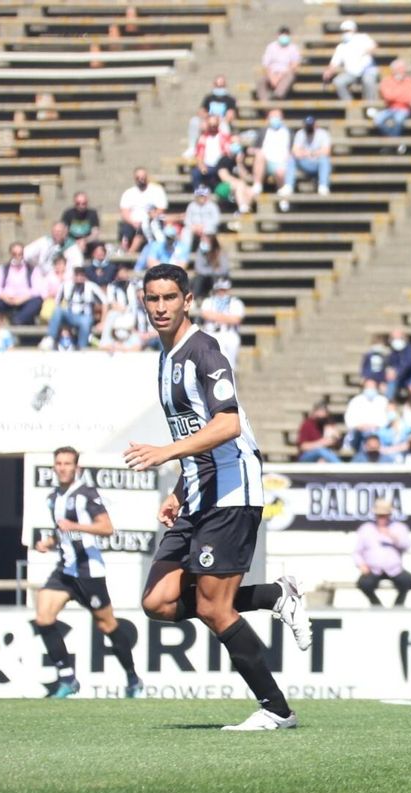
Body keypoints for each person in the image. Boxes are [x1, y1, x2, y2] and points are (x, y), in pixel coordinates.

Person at [125, 264, 311, 731]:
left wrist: (166, 454)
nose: (161, 307)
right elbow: (197, 433)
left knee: (211, 607)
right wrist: (180, 487)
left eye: (170, 297)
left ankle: (276, 710)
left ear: (187, 300)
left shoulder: (205, 351)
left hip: (233, 489)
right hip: (199, 492)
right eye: (153, 299)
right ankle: (274, 595)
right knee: (158, 601)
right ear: (144, 303)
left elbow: (227, 424)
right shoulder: (165, 358)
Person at [28, 447, 144, 697]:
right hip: (65, 570)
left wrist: (74, 525)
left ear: (76, 467)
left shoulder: (86, 494)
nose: (62, 467)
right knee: (43, 618)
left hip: (88, 571)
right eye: (58, 463)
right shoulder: (54, 497)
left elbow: (107, 528)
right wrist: (49, 542)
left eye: (67, 463)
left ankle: (133, 679)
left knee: (107, 625)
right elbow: (63, 531)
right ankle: (67, 679)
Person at [354, 497, 411, 606]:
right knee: (364, 584)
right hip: (373, 569)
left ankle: (398, 606)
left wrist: (392, 536)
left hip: (394, 569)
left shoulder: (399, 527)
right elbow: (357, 551)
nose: (382, 518)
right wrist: (361, 565)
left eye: (384, 516)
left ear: (389, 515)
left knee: (409, 581)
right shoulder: (366, 529)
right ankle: (377, 605)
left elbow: (406, 546)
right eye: (379, 516)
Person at [0, 243, 42, 326]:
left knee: (37, 302)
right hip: (6, 300)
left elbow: (38, 289)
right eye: (14, 254)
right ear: (11, 254)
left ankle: (18, 320)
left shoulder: (32, 269)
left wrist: (23, 298)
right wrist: (4, 297)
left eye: (20, 254)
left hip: (24, 301)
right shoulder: (3, 269)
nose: (17, 256)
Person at [323, 19, 378, 102]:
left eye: (347, 30)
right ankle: (349, 103)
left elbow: (373, 47)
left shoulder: (363, 38)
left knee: (368, 81)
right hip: (351, 73)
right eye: (344, 31)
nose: (345, 33)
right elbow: (334, 63)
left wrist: (367, 52)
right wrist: (328, 71)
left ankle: (370, 105)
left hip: (367, 71)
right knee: (338, 82)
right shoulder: (341, 47)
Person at [198, 277, 244, 370]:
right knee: (209, 364)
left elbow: (236, 319)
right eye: (219, 290)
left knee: (230, 364)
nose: (221, 292)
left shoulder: (236, 302)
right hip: (211, 333)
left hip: (229, 333)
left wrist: (215, 316)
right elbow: (205, 314)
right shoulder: (208, 301)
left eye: (223, 290)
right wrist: (226, 317)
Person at [118, 168, 168, 252]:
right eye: (138, 178)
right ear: (134, 178)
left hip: (151, 221)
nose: (141, 180)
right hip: (133, 222)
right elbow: (124, 211)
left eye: (143, 177)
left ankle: (130, 253)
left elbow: (161, 209)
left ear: (147, 177)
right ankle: (124, 251)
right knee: (126, 230)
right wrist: (133, 222)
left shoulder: (157, 190)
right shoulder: (128, 193)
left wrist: (148, 219)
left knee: (143, 227)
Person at [372, 59, 411, 140]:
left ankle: (392, 144)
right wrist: (401, 94)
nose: (402, 71)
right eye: (399, 68)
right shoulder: (386, 80)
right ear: (393, 70)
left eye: (403, 68)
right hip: (390, 108)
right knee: (378, 119)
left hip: (404, 109)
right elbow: (387, 96)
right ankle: (396, 143)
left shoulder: (409, 81)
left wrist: (395, 94)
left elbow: (410, 98)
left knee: (398, 120)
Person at [287, 116, 332, 197]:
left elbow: (326, 151)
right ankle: (289, 186)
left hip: (317, 164)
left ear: (315, 124)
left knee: (324, 160)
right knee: (291, 159)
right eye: (308, 125)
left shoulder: (323, 134)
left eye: (311, 125)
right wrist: (311, 153)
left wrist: (309, 153)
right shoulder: (300, 133)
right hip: (305, 163)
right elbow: (295, 151)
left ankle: (323, 186)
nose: (309, 127)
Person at [257, 26, 301, 101]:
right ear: (278, 35)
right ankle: (264, 101)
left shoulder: (293, 48)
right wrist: (272, 77)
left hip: (285, 73)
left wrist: (280, 76)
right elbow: (266, 64)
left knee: (289, 77)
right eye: (282, 34)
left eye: (286, 34)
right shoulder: (271, 47)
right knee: (261, 81)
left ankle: (277, 97)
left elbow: (294, 65)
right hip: (272, 73)